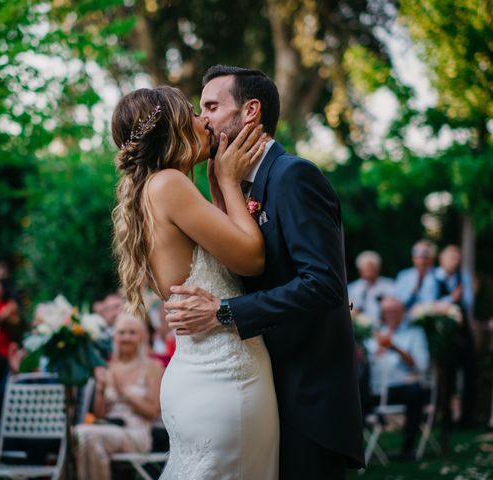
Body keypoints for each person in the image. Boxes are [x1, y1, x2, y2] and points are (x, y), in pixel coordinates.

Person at [163, 65, 364, 478]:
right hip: (264, 389)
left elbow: (324, 285)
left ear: (250, 111)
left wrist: (224, 312)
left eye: (212, 107)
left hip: (306, 398)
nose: (202, 119)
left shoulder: (293, 176)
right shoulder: (239, 185)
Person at [111, 84, 279, 479]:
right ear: (172, 128)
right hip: (226, 379)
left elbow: (225, 253)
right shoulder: (169, 184)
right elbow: (252, 259)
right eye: (191, 111)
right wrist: (228, 179)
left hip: (198, 375)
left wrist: (218, 184)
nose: (204, 120)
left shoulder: (150, 192)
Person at [74, 312, 164, 480]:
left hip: (137, 432)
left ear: (142, 337)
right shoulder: (109, 368)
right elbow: (100, 414)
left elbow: (152, 412)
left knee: (86, 435)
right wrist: (100, 389)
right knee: (79, 435)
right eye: (122, 332)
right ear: (115, 336)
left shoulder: (153, 367)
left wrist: (123, 391)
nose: (126, 337)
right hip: (109, 429)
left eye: (132, 332)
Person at [364, 297, 430, 460]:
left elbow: (421, 365)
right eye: (387, 312)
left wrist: (395, 348)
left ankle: (408, 448)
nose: (391, 315)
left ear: (403, 312)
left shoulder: (414, 333)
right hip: (374, 389)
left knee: (417, 392)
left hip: (401, 387)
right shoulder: (372, 334)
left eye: (395, 311)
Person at [434, 244, 477, 427]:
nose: (455, 260)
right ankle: (444, 416)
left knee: (470, 372)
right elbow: (432, 304)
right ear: (442, 259)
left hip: (463, 332)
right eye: (451, 256)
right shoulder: (434, 278)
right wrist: (451, 298)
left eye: (457, 257)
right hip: (443, 334)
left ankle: (467, 417)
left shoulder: (463, 277)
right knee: (446, 375)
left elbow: (468, 303)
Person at [348, 250, 395, 327]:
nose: (369, 271)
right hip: (360, 330)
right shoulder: (352, 289)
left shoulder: (389, 286)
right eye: (366, 268)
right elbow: (350, 307)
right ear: (360, 270)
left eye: (371, 268)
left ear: (378, 268)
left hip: (385, 327)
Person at [394, 240, 438, 310]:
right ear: (413, 258)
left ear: (431, 259)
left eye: (425, 257)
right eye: (418, 256)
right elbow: (397, 301)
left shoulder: (439, 275)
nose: (422, 261)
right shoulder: (404, 276)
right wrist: (412, 292)